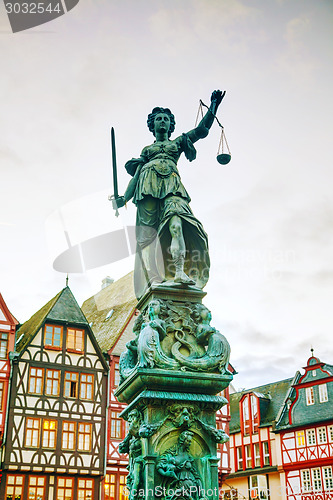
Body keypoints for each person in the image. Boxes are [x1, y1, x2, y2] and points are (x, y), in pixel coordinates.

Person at [114, 90, 225, 298]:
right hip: (147, 187)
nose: (162, 122)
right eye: (158, 119)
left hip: (172, 186)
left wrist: (213, 107)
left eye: (166, 119)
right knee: (148, 236)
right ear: (153, 125)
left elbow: (201, 131)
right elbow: (136, 177)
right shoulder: (146, 150)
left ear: (170, 124)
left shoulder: (178, 143)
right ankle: (153, 277)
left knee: (177, 222)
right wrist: (124, 198)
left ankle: (179, 270)